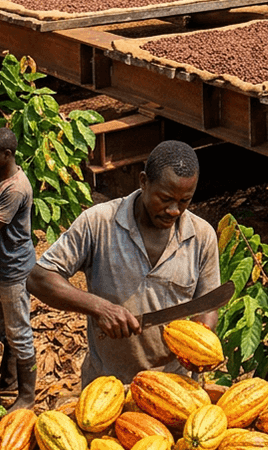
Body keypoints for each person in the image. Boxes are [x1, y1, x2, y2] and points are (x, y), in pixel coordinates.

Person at [27, 141, 220, 385]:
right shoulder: (99, 223)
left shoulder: (202, 236)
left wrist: (202, 336)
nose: (174, 210)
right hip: (108, 386)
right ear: (143, 182)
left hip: (174, 387)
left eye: (184, 201)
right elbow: (38, 278)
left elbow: (209, 302)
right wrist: (99, 308)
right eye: (165, 198)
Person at [0, 128, 37, 411]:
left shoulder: (15, 189)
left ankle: (27, 396)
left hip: (13, 269)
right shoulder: (3, 179)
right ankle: (9, 379)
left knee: (18, 331)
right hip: (4, 265)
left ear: (7, 155)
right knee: (6, 326)